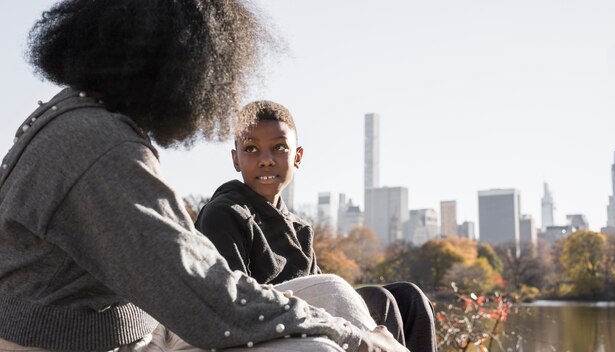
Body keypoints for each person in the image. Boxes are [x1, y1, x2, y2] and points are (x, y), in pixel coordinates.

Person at [0, 1, 408, 351]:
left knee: (331, 290)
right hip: (76, 344)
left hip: (140, 328)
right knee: (315, 347)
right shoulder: (100, 146)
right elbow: (205, 297)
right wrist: (353, 338)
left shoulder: (84, 120)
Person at [194, 100, 437, 351]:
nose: (265, 160)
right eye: (251, 149)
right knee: (380, 300)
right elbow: (232, 302)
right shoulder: (223, 214)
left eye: (278, 147)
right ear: (236, 159)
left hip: (306, 324)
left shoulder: (300, 229)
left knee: (409, 297)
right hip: (265, 332)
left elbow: (323, 292)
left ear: (297, 156)